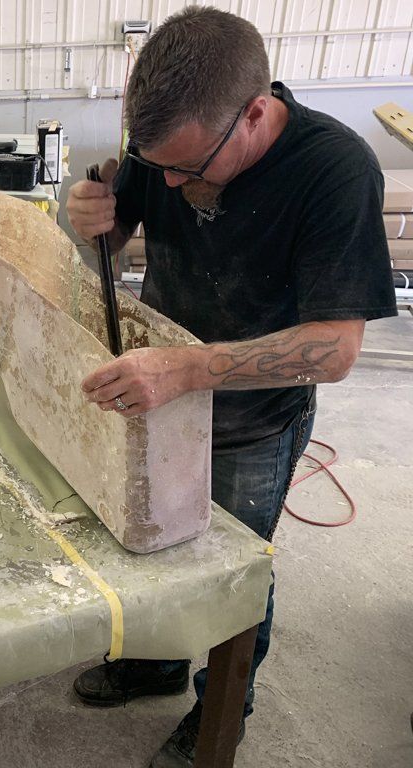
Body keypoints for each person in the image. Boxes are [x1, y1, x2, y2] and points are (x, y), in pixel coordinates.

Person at [65, 7, 396, 767]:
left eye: (189, 168)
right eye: (159, 168)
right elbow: (114, 247)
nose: (172, 185)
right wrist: (95, 222)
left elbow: (336, 348)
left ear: (254, 112)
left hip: (255, 416)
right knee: (146, 537)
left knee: (231, 573)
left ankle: (221, 707)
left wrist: (186, 368)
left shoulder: (335, 170)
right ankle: (153, 661)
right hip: (161, 392)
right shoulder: (166, 144)